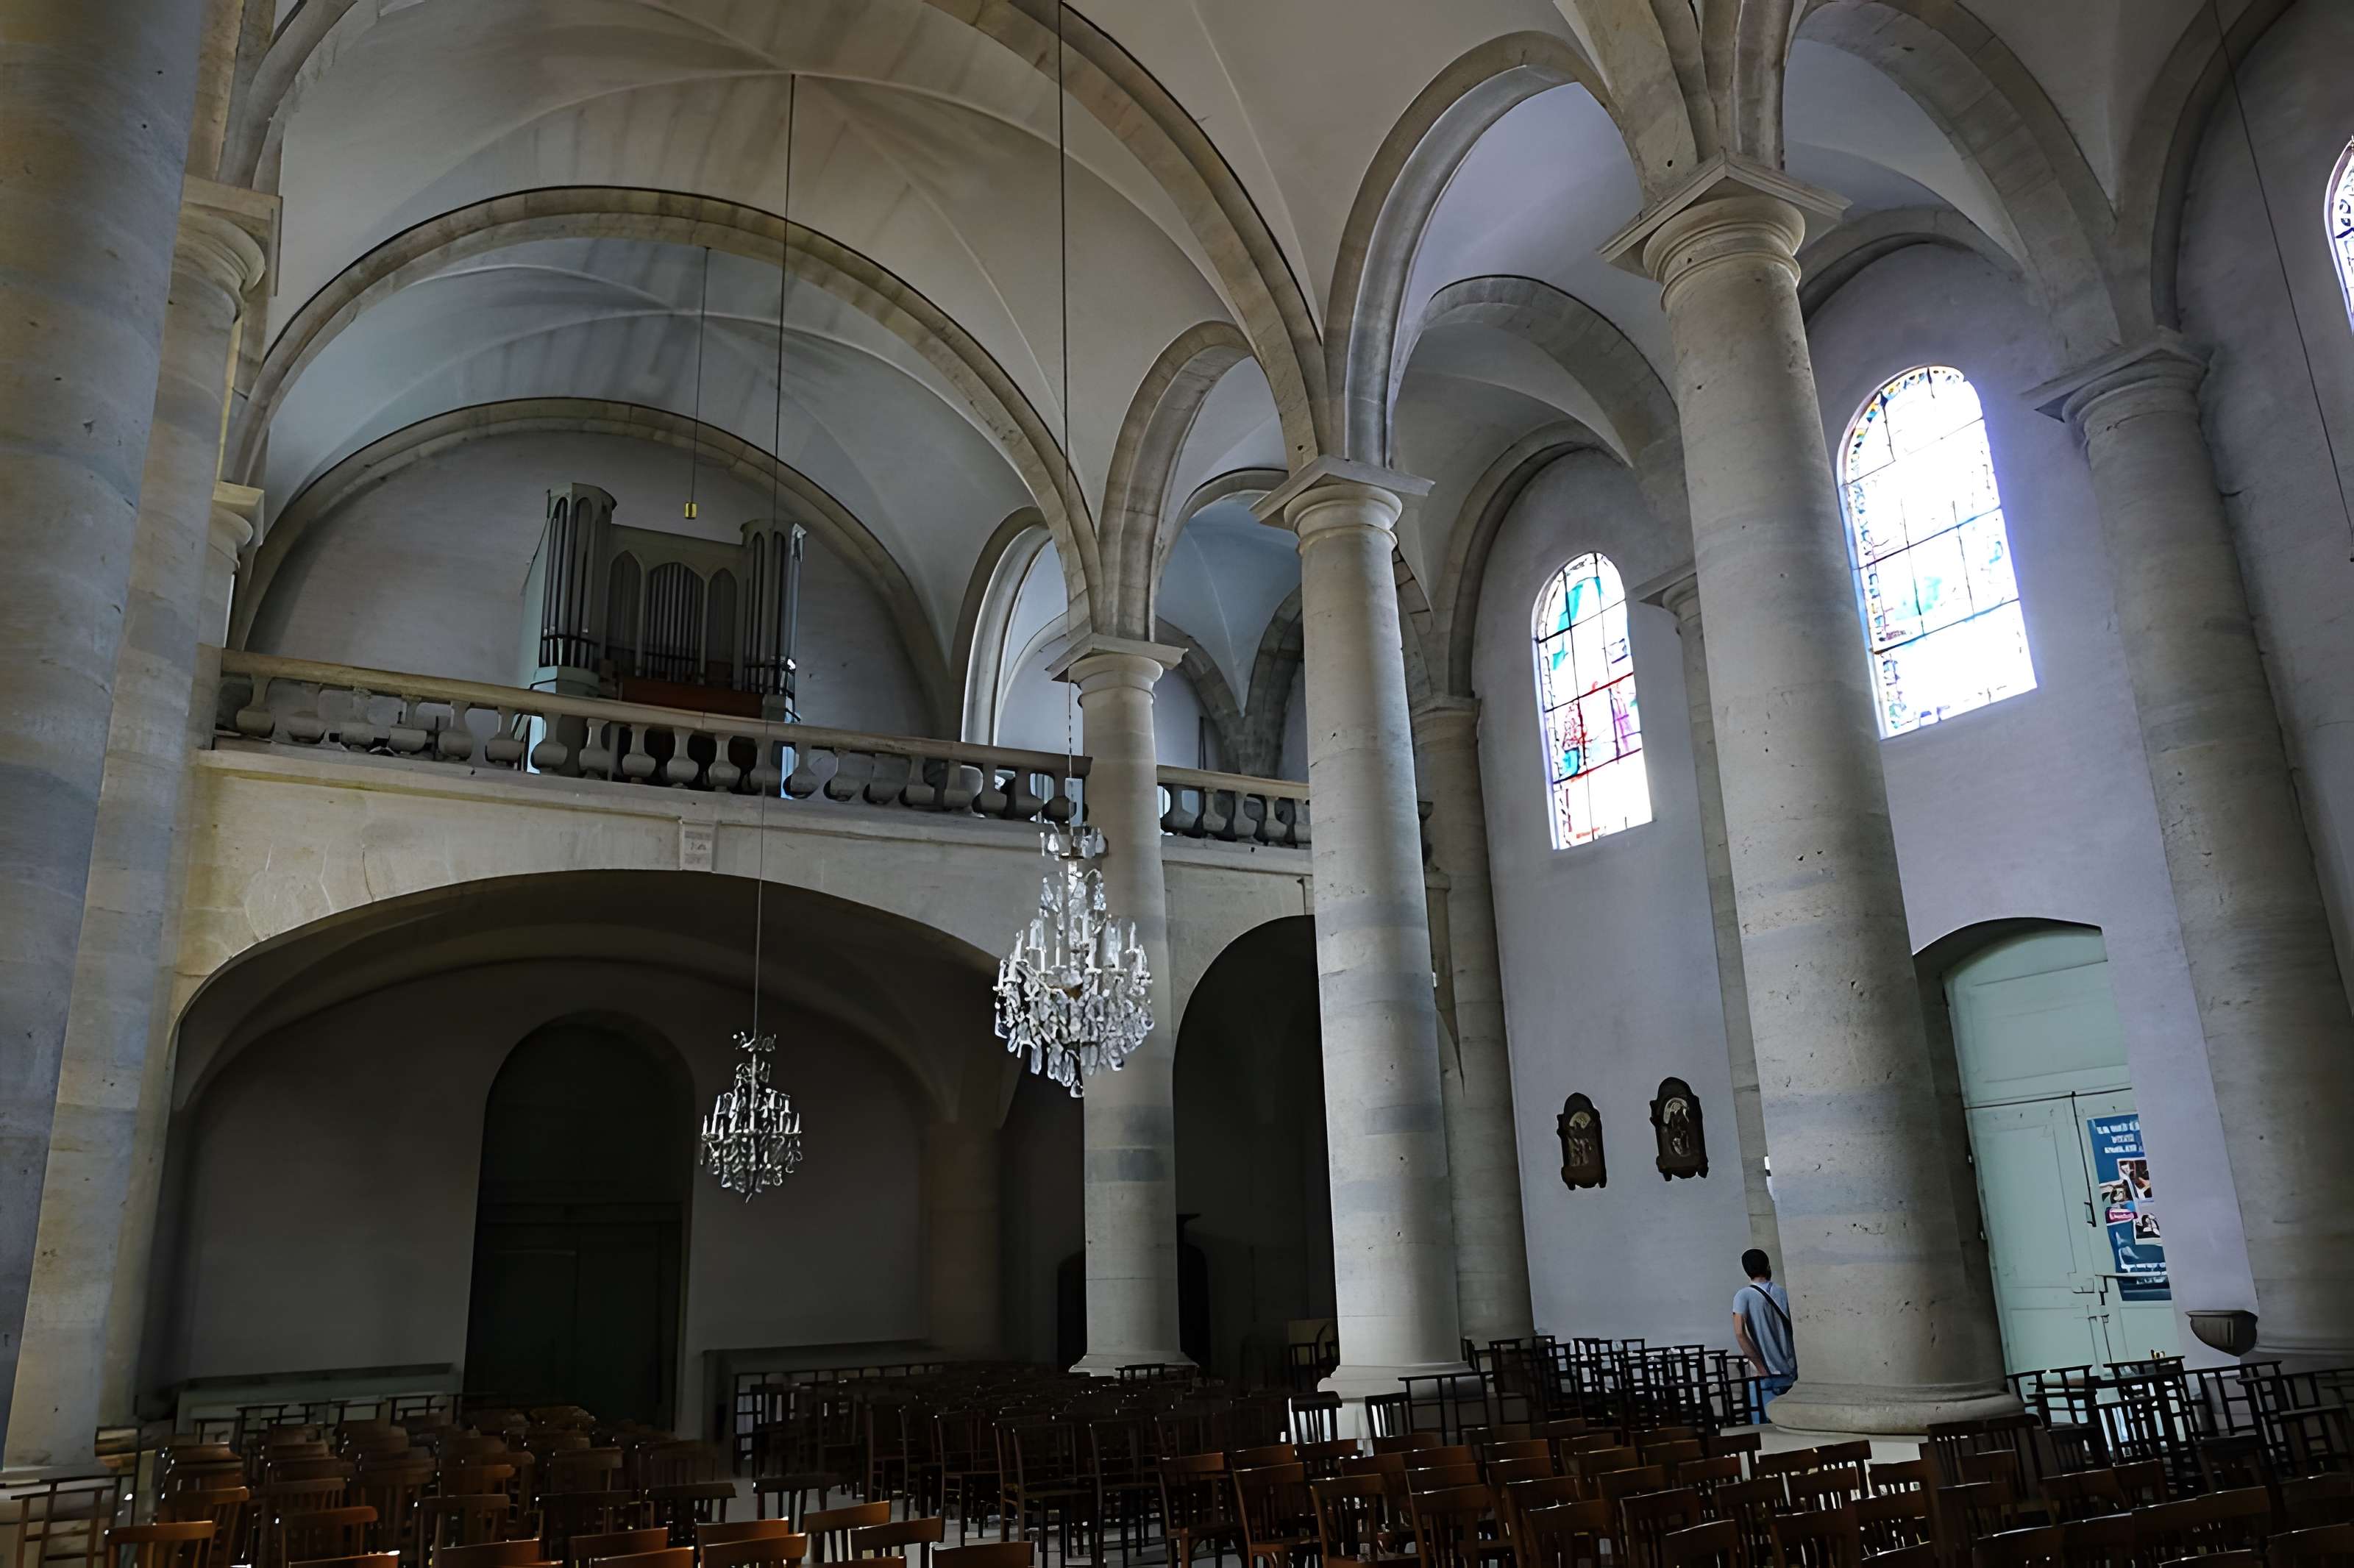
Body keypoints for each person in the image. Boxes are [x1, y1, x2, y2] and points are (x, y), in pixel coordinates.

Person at [1733, 1247, 1796, 1416]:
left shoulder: (1743, 1296)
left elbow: (1739, 1332)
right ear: (1768, 1266)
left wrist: (1761, 1367)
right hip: (1792, 1368)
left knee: (1768, 1425)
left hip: (1767, 1372)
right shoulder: (1782, 1292)